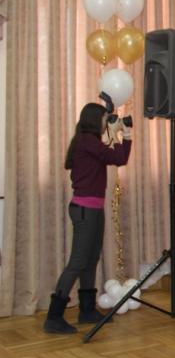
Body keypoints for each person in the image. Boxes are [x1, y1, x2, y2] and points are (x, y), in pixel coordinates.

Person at [45, 103, 132, 334]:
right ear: (95, 120)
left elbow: (118, 157)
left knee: (91, 258)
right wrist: (122, 134)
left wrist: (122, 135)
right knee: (77, 261)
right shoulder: (87, 141)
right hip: (85, 210)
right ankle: (53, 317)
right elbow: (118, 158)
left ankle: (87, 310)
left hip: (93, 209)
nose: (106, 122)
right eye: (105, 119)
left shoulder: (89, 142)